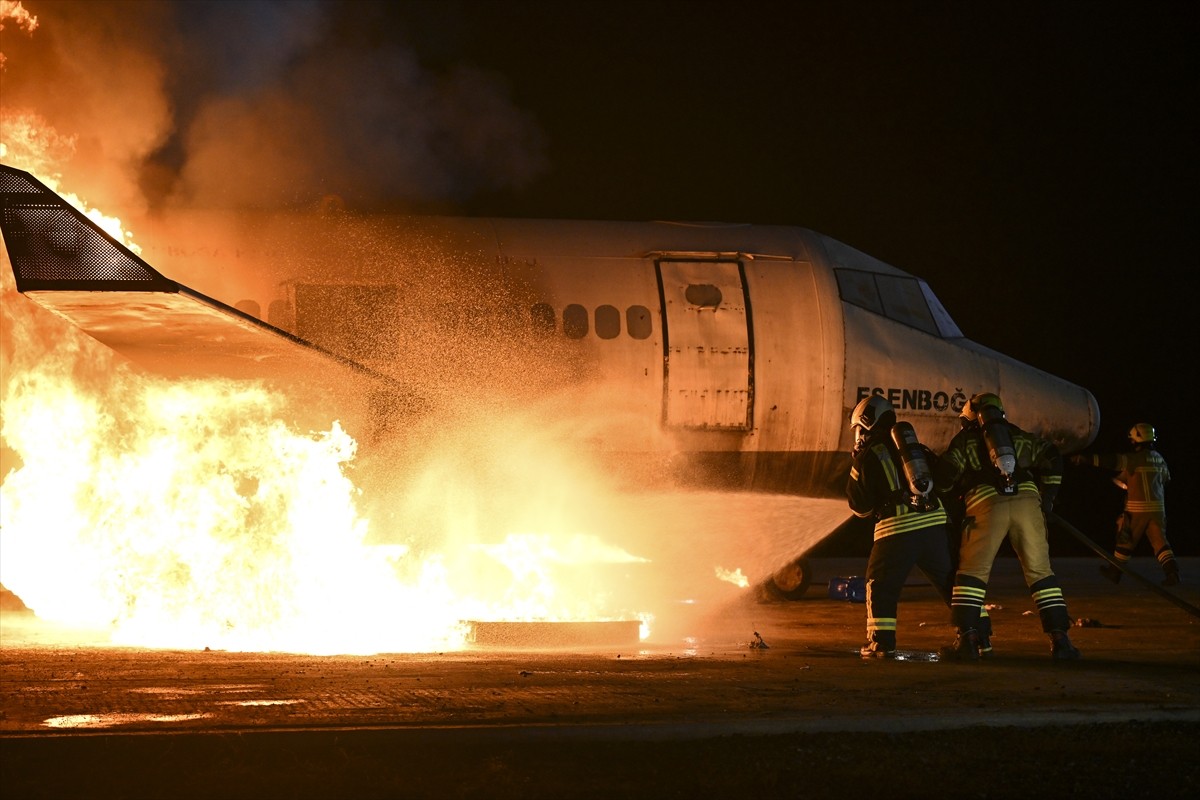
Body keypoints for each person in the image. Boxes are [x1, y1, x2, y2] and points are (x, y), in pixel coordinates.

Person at [934, 392, 1080, 661]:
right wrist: (1047, 498)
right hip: (1027, 500)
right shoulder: (1018, 436)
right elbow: (1051, 456)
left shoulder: (965, 440)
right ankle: (1061, 641)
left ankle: (966, 641)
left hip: (985, 504)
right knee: (1041, 573)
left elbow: (945, 475)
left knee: (972, 574)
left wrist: (950, 500)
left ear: (969, 420)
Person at [845, 395, 992, 659]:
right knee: (954, 584)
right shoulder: (917, 449)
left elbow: (860, 508)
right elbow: (943, 483)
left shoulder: (868, 455)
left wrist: (857, 464)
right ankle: (980, 639)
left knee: (880, 586)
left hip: (895, 530)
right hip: (934, 525)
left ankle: (881, 643)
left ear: (866, 423)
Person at [1071, 423, 1178, 586]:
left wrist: (1086, 459)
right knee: (1160, 543)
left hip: (1137, 509)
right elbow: (1167, 480)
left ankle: (1115, 572)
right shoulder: (1160, 459)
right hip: (1158, 510)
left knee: (1125, 539)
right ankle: (1172, 574)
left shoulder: (1133, 459)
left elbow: (1111, 461)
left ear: (1135, 440)